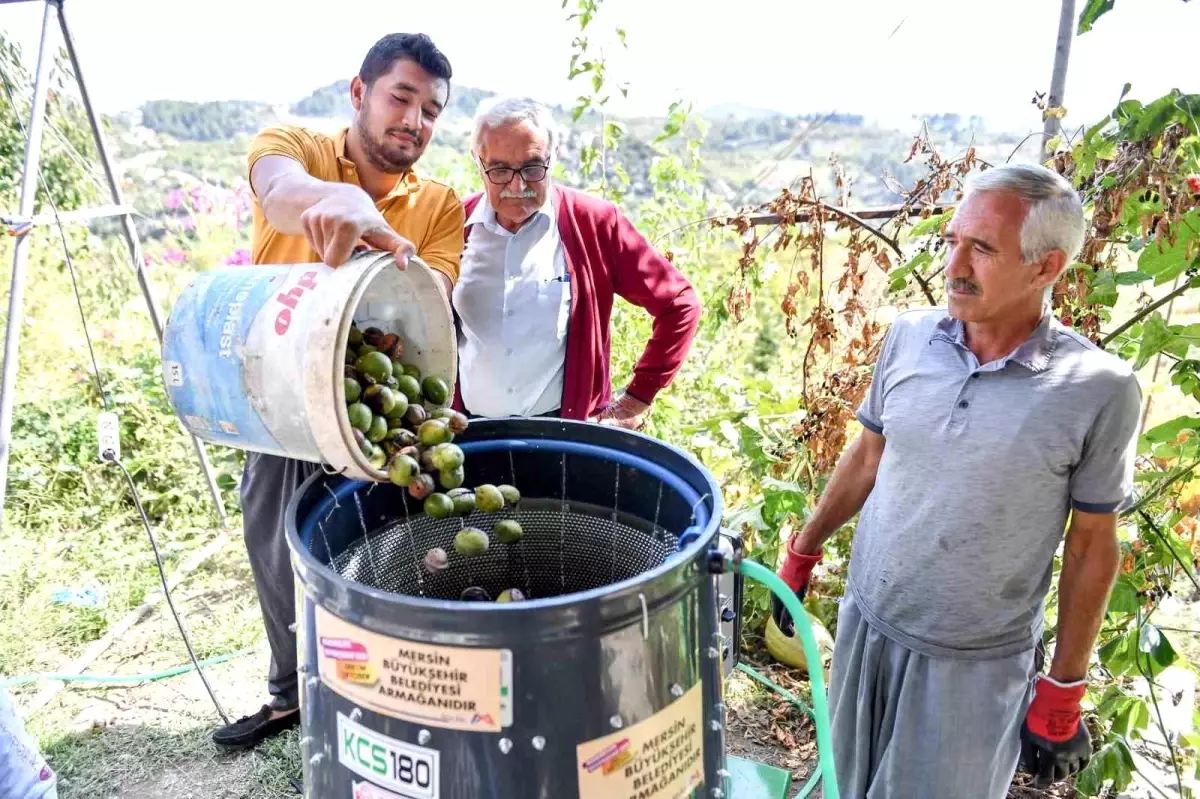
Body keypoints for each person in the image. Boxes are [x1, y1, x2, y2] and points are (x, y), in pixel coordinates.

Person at [772, 163, 1141, 797]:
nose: (955, 266)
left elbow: (1090, 546)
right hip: (868, 624)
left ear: (1046, 267)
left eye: (983, 249)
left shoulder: (1097, 390)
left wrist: (1064, 687)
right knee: (842, 785)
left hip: (973, 664)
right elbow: (867, 457)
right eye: (953, 241)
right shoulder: (911, 338)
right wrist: (801, 555)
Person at [212, 32, 464, 749]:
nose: (415, 121)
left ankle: (383, 690)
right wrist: (338, 201)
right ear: (359, 92)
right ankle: (291, 692)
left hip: (375, 410)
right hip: (280, 402)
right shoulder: (296, 145)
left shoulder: (441, 205)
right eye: (402, 98)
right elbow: (282, 191)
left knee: (383, 550)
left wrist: (376, 240)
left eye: (432, 111)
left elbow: (430, 297)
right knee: (274, 540)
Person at [449, 96, 700, 426]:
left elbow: (680, 303)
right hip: (473, 434)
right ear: (477, 161)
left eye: (532, 167)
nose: (517, 185)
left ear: (552, 159)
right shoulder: (453, 225)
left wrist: (637, 398)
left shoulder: (594, 223)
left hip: (567, 435)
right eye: (499, 170)